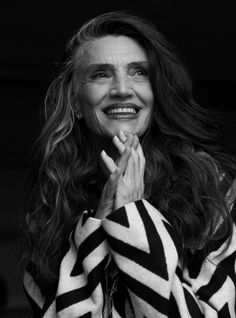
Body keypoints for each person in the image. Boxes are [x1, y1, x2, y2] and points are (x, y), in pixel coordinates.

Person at [22, 11, 236, 317]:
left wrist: (134, 219)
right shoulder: (49, 217)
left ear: (155, 93)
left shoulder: (215, 194)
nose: (122, 88)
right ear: (74, 102)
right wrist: (95, 230)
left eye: (138, 72)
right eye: (101, 74)